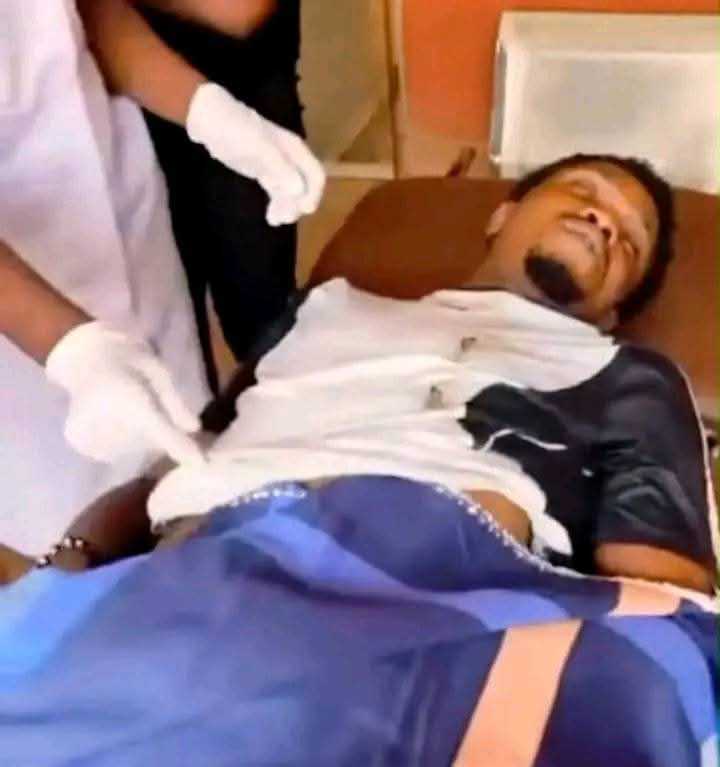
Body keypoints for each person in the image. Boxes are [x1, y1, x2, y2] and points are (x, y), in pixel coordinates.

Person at [0, 0, 209, 557]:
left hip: (126, 220)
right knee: (69, 562)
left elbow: (91, 12)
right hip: (21, 328)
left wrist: (207, 109)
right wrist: (72, 347)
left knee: (186, 496)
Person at [78, 0, 325, 391]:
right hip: (129, 121)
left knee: (261, 322)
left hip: (236, 96)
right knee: (169, 347)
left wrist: (209, 113)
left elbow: (238, 9)